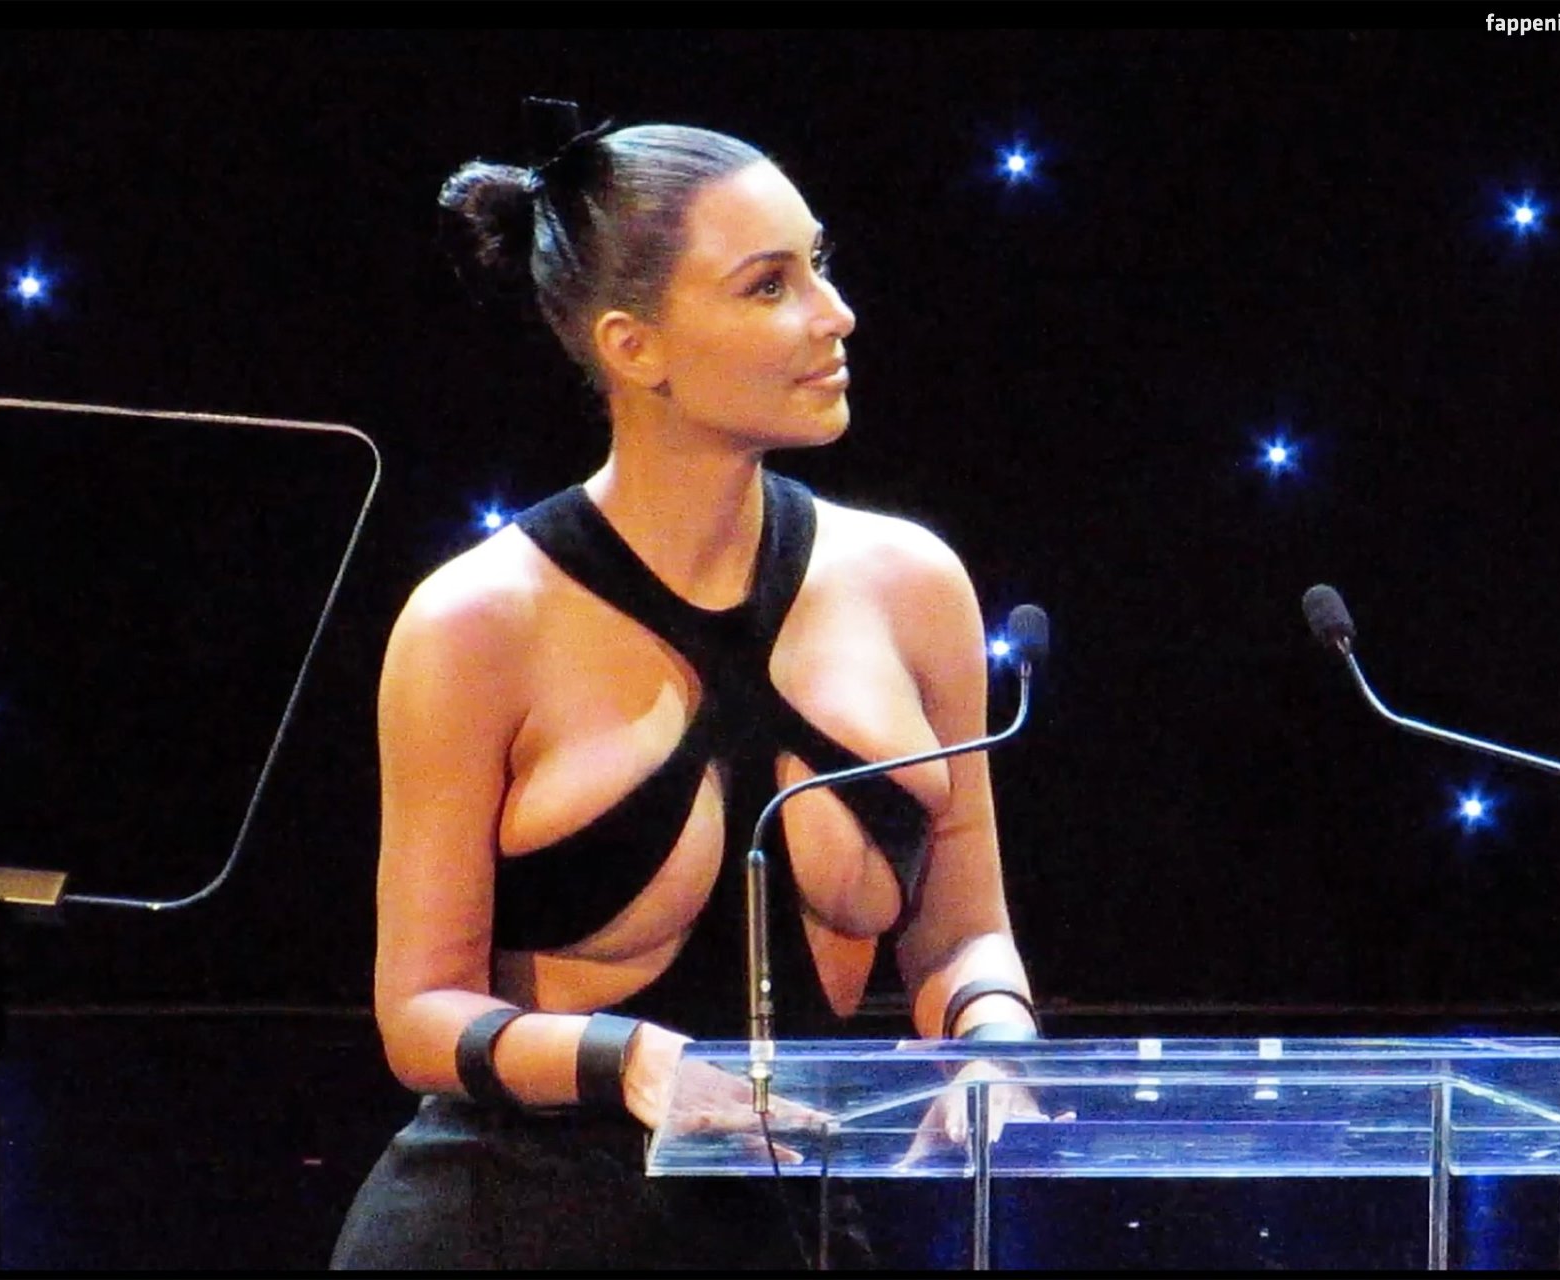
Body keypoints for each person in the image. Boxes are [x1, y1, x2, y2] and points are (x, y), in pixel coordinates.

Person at [330, 100, 1043, 1271]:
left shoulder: (914, 586)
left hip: (792, 1223)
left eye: (817, 264)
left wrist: (992, 1040)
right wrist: (634, 1060)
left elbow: (963, 933)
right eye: (768, 285)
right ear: (633, 346)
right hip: (512, 1223)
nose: (834, 313)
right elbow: (417, 1011)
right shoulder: (476, 621)